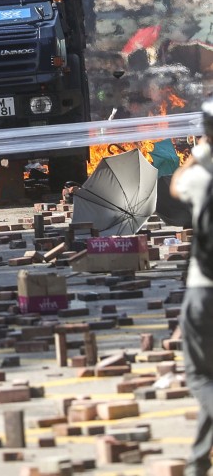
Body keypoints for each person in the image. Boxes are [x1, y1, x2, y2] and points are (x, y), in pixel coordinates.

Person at [171, 98, 213, 476]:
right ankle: (198, 463)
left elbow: (175, 187)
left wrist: (199, 150)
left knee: (201, 376)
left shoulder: (201, 176)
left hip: (205, 289)